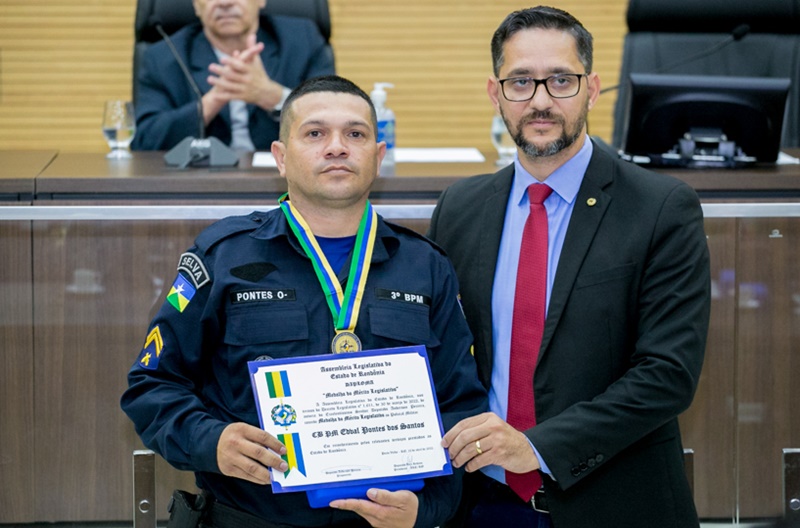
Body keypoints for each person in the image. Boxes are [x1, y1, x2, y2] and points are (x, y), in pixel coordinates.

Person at [121, 75, 487, 528]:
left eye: (355, 134)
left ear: (378, 156)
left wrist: (427, 509)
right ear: (280, 157)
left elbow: (462, 408)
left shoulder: (425, 266)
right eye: (315, 133)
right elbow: (151, 386)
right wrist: (212, 441)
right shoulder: (224, 255)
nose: (337, 147)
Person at [428, 6, 710, 528]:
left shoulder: (660, 207)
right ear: (496, 94)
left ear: (591, 88)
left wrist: (536, 447)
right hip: (483, 502)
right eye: (520, 82)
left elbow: (667, 375)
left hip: (614, 502)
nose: (539, 100)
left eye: (561, 80)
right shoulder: (459, 208)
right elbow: (440, 355)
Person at [132, 0, 335, 152]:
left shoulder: (301, 39)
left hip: (284, 182)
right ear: (196, 5)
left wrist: (274, 96)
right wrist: (212, 101)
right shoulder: (164, 56)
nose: (225, 3)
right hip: (199, 187)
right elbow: (144, 142)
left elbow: (333, 119)